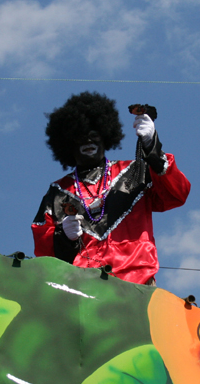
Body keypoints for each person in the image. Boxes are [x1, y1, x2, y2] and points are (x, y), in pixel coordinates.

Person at [32, 91, 190, 285]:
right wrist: (63, 237)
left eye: (94, 134)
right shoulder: (57, 193)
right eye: (80, 136)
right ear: (67, 143)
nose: (88, 141)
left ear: (106, 136)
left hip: (137, 283)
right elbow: (43, 254)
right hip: (83, 289)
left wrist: (152, 147)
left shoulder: (135, 172)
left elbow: (177, 194)